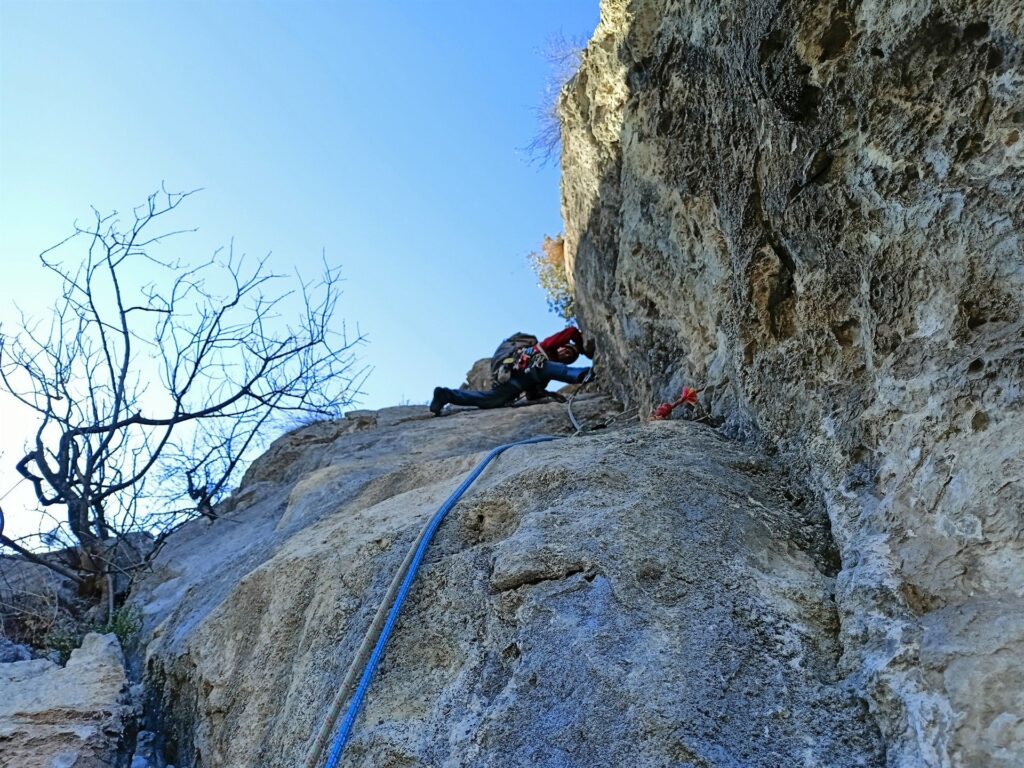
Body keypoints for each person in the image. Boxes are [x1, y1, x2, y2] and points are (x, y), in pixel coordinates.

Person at [429, 327, 595, 415]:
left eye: (570, 356)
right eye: (566, 350)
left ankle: (446, 395)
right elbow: (572, 332)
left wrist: (548, 395)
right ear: (560, 347)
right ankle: (584, 373)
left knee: (491, 400)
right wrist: (581, 349)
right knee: (546, 367)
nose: (566, 354)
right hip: (520, 365)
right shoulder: (546, 347)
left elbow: (531, 395)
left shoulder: (550, 370)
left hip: (514, 383)